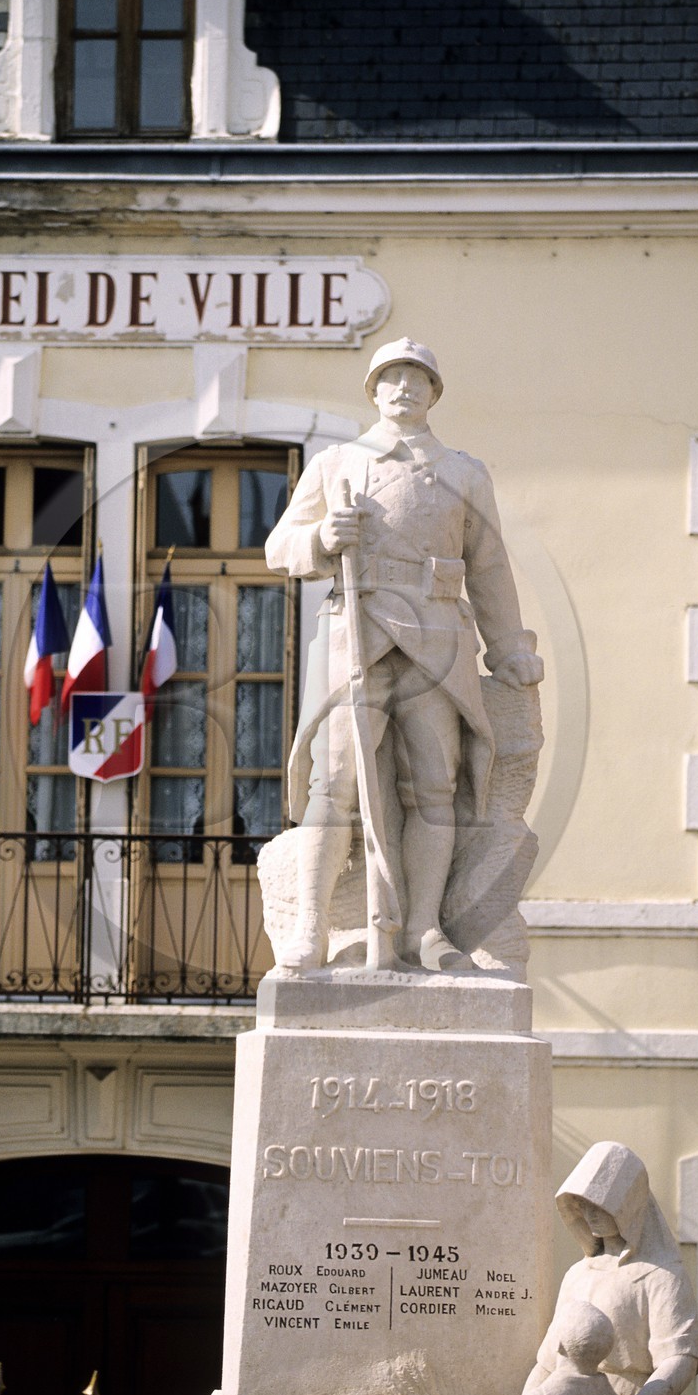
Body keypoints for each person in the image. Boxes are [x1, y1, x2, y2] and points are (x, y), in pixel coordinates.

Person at [264, 336, 543, 972]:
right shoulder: (337, 464)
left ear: (434, 392)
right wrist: (322, 537)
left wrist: (507, 649)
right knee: (332, 785)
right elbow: (280, 547)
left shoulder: (464, 472)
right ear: (373, 389)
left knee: (436, 787)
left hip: (437, 640)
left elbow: (490, 569)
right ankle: (311, 922)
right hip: (354, 631)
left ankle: (423, 928)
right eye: (390, 377)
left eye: (417, 378)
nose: (404, 388)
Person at [483, 1142, 698, 1395]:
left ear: (628, 1204)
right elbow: (546, 1365)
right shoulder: (577, 1275)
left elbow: (680, 1360)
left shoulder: (661, 1275)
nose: (589, 1213)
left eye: (600, 1203)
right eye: (582, 1204)